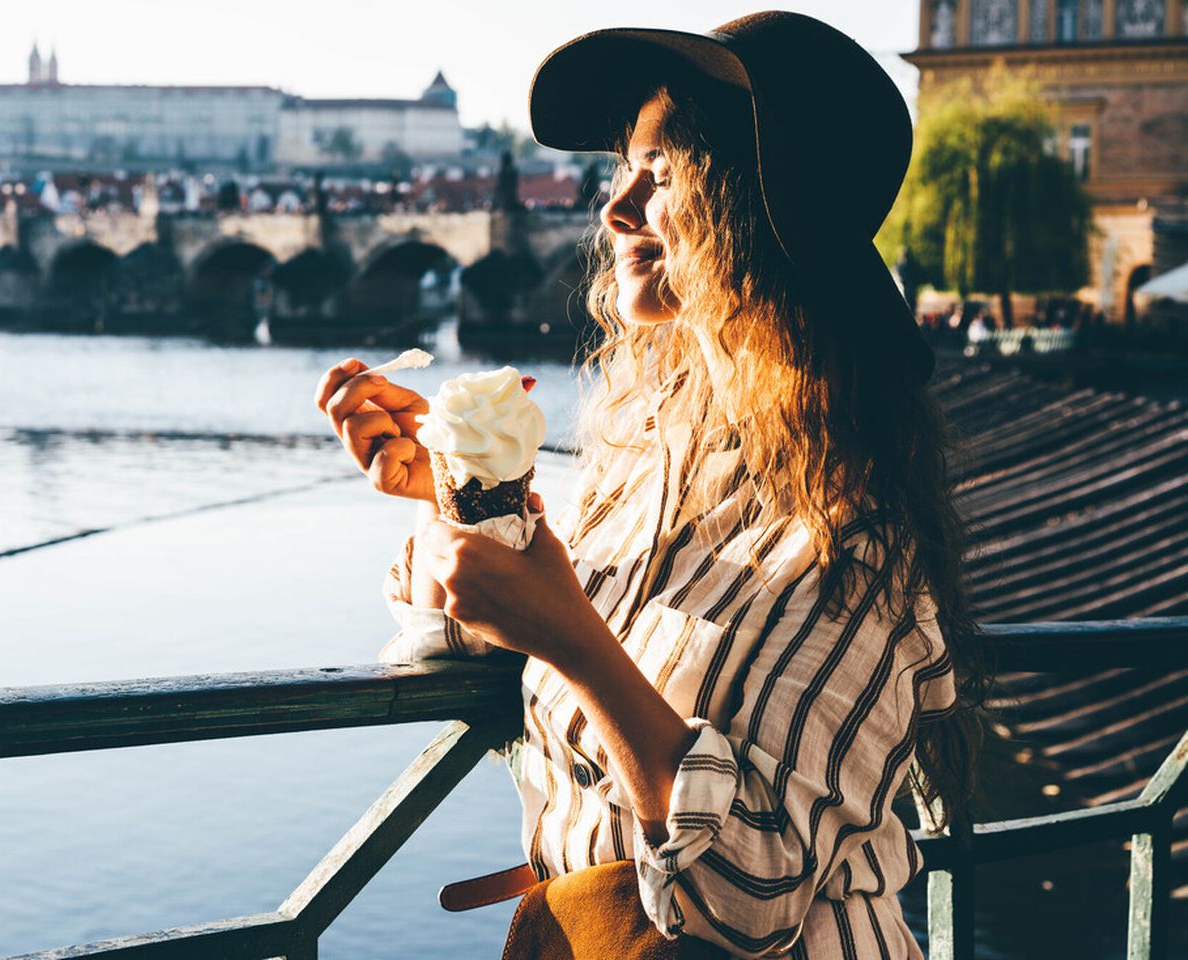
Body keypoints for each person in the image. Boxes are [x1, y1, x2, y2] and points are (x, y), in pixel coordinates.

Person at [315, 12, 985, 959]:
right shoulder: (647, 459)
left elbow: (755, 892)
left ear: (764, 210)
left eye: (662, 173)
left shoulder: (854, 531)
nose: (616, 207)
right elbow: (480, 627)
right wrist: (460, 493)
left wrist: (579, 645)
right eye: (622, 168)